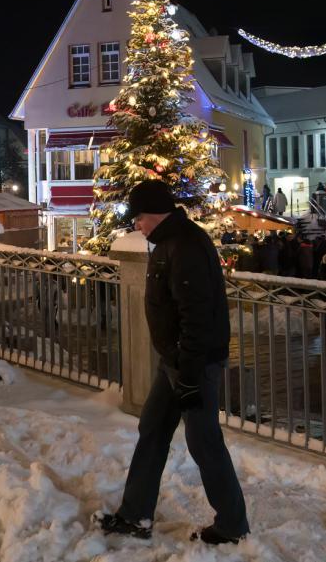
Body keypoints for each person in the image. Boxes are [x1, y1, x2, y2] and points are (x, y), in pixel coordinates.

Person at [98, 180, 249, 545]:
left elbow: (196, 315)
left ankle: (232, 525)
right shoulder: (168, 242)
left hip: (193, 365)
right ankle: (135, 515)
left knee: (203, 442)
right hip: (176, 362)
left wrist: (191, 375)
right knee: (152, 430)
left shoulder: (185, 246)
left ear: (155, 213)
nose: (137, 225)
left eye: (140, 218)